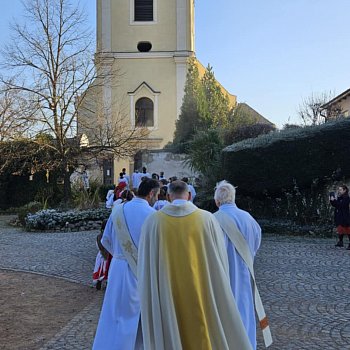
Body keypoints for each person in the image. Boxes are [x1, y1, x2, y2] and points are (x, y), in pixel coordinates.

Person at [138, 180, 252, 350]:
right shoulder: (206, 219)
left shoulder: (153, 222)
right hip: (201, 289)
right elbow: (219, 259)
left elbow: (145, 265)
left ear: (168, 196)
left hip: (167, 290)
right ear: (189, 195)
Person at [93, 178, 160, 350]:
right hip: (140, 270)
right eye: (157, 195)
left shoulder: (117, 211)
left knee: (113, 311)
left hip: (117, 268)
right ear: (151, 193)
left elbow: (106, 240)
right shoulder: (153, 216)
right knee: (136, 314)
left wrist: (119, 256)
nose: (157, 198)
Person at [213, 180, 272, 349]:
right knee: (244, 314)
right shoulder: (249, 219)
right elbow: (256, 244)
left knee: (222, 317)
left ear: (217, 201)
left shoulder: (211, 220)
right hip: (245, 274)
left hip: (221, 276)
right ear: (234, 198)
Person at [92, 220, 111, 290]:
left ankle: (99, 280)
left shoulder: (99, 236)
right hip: (108, 255)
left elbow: (97, 246)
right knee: (107, 269)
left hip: (100, 255)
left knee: (101, 268)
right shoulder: (109, 235)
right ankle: (106, 282)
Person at [330, 185, 350, 249]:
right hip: (339, 215)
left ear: (345, 190)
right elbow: (335, 205)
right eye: (339, 190)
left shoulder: (347, 198)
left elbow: (341, 205)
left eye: (340, 190)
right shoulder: (340, 197)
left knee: (348, 230)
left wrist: (335, 201)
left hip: (345, 216)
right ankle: (340, 242)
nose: (339, 191)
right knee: (340, 229)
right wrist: (332, 200)